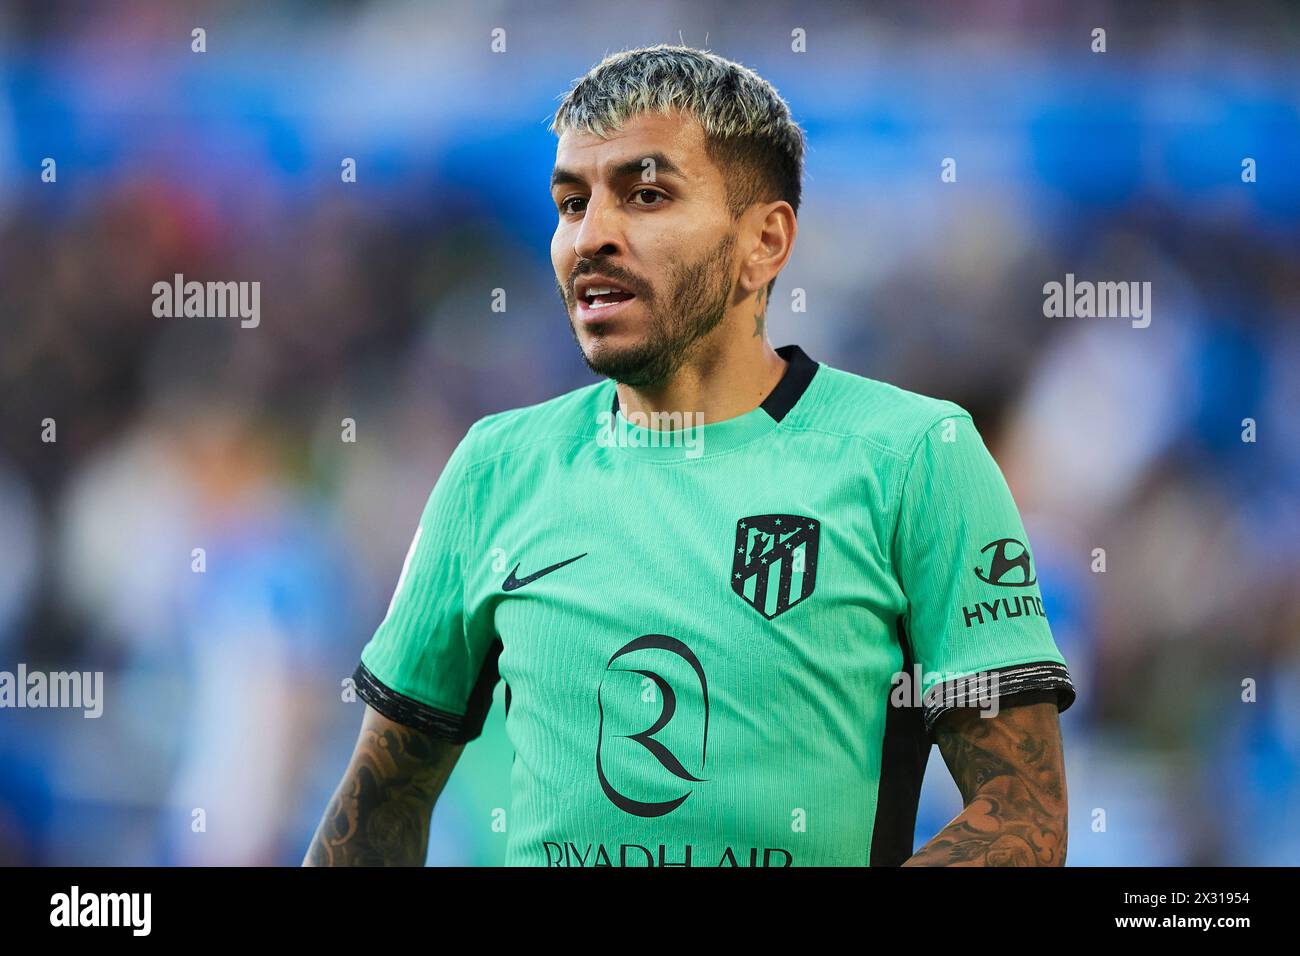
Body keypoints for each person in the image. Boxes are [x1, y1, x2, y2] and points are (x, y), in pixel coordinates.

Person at [305, 44, 1074, 867]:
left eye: (645, 195)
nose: (590, 237)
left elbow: (1024, 814)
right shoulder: (496, 466)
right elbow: (375, 811)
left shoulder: (912, 458)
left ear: (765, 243)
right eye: (571, 203)